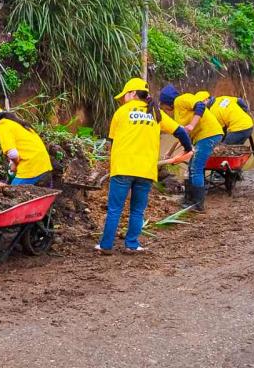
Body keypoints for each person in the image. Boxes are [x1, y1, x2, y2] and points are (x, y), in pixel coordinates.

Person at [96, 78, 192, 254]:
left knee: (115, 209)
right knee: (137, 210)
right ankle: (132, 245)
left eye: (125, 95)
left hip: (123, 167)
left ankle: (106, 246)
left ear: (132, 93)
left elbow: (112, 141)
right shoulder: (156, 113)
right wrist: (188, 149)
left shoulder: (122, 112)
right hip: (146, 170)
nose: (123, 98)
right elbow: (180, 131)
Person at [160, 86, 224, 212]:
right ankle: (189, 199)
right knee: (191, 167)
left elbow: (200, 106)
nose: (165, 110)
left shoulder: (181, 99)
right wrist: (171, 152)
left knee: (196, 168)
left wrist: (191, 125)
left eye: (163, 106)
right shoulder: (178, 113)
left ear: (166, 102)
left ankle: (198, 205)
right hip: (202, 137)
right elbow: (183, 134)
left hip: (209, 134)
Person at [0, 103, 53, 186]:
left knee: (11, 194)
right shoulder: (13, 123)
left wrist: (14, 164)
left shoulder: (2, 127)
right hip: (45, 166)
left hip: (31, 168)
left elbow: (13, 154)